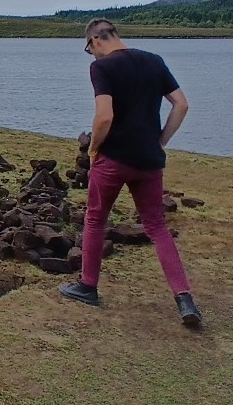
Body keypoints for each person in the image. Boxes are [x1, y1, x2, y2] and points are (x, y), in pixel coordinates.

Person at [60, 18, 202, 327]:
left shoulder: (102, 67)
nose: (91, 54)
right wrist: (160, 141)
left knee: (95, 219)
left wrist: (94, 149)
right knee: (157, 226)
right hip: (148, 161)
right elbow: (181, 105)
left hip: (113, 159)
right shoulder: (154, 61)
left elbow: (104, 117)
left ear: (95, 40)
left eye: (89, 49)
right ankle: (184, 299)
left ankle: (87, 286)